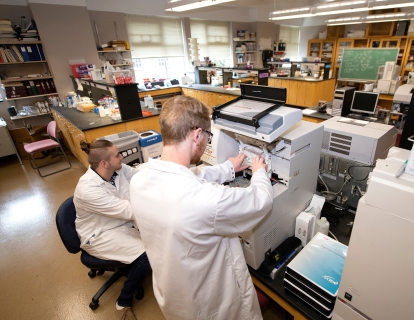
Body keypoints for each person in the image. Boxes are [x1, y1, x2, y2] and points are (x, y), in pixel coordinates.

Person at [130, 96, 273, 320]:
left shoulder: (139, 180)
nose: (207, 141)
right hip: (211, 304)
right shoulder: (204, 200)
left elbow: (189, 176)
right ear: (197, 135)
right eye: (208, 136)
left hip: (173, 295)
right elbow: (260, 200)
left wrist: (227, 168)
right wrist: (260, 173)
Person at [74, 140, 151, 320]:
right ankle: (123, 302)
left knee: (155, 240)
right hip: (100, 234)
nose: (122, 157)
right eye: (117, 155)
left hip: (120, 223)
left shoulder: (117, 170)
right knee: (147, 254)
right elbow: (130, 211)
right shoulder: (88, 190)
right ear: (104, 163)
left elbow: (139, 176)